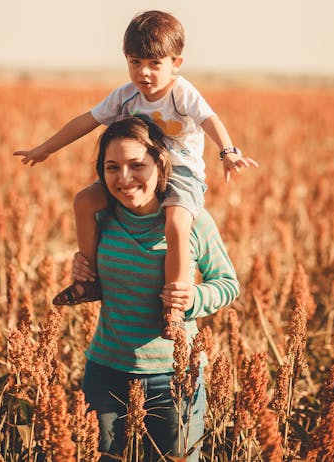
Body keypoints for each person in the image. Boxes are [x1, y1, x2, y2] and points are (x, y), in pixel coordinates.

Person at [14, 10, 256, 338]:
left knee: (176, 223)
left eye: (155, 63)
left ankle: (173, 305)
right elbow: (86, 121)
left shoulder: (182, 93)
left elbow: (210, 119)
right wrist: (45, 148)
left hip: (181, 174)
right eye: (135, 61)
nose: (143, 72)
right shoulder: (125, 95)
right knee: (84, 201)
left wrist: (227, 152)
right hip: (137, 173)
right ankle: (89, 281)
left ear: (176, 63)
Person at [74, 116, 240, 461]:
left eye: (137, 165)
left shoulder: (191, 220)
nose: (124, 178)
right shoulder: (101, 219)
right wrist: (82, 274)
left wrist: (193, 298)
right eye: (112, 167)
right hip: (105, 371)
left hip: (173, 376)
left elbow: (227, 283)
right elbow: (102, 284)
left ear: (160, 163)